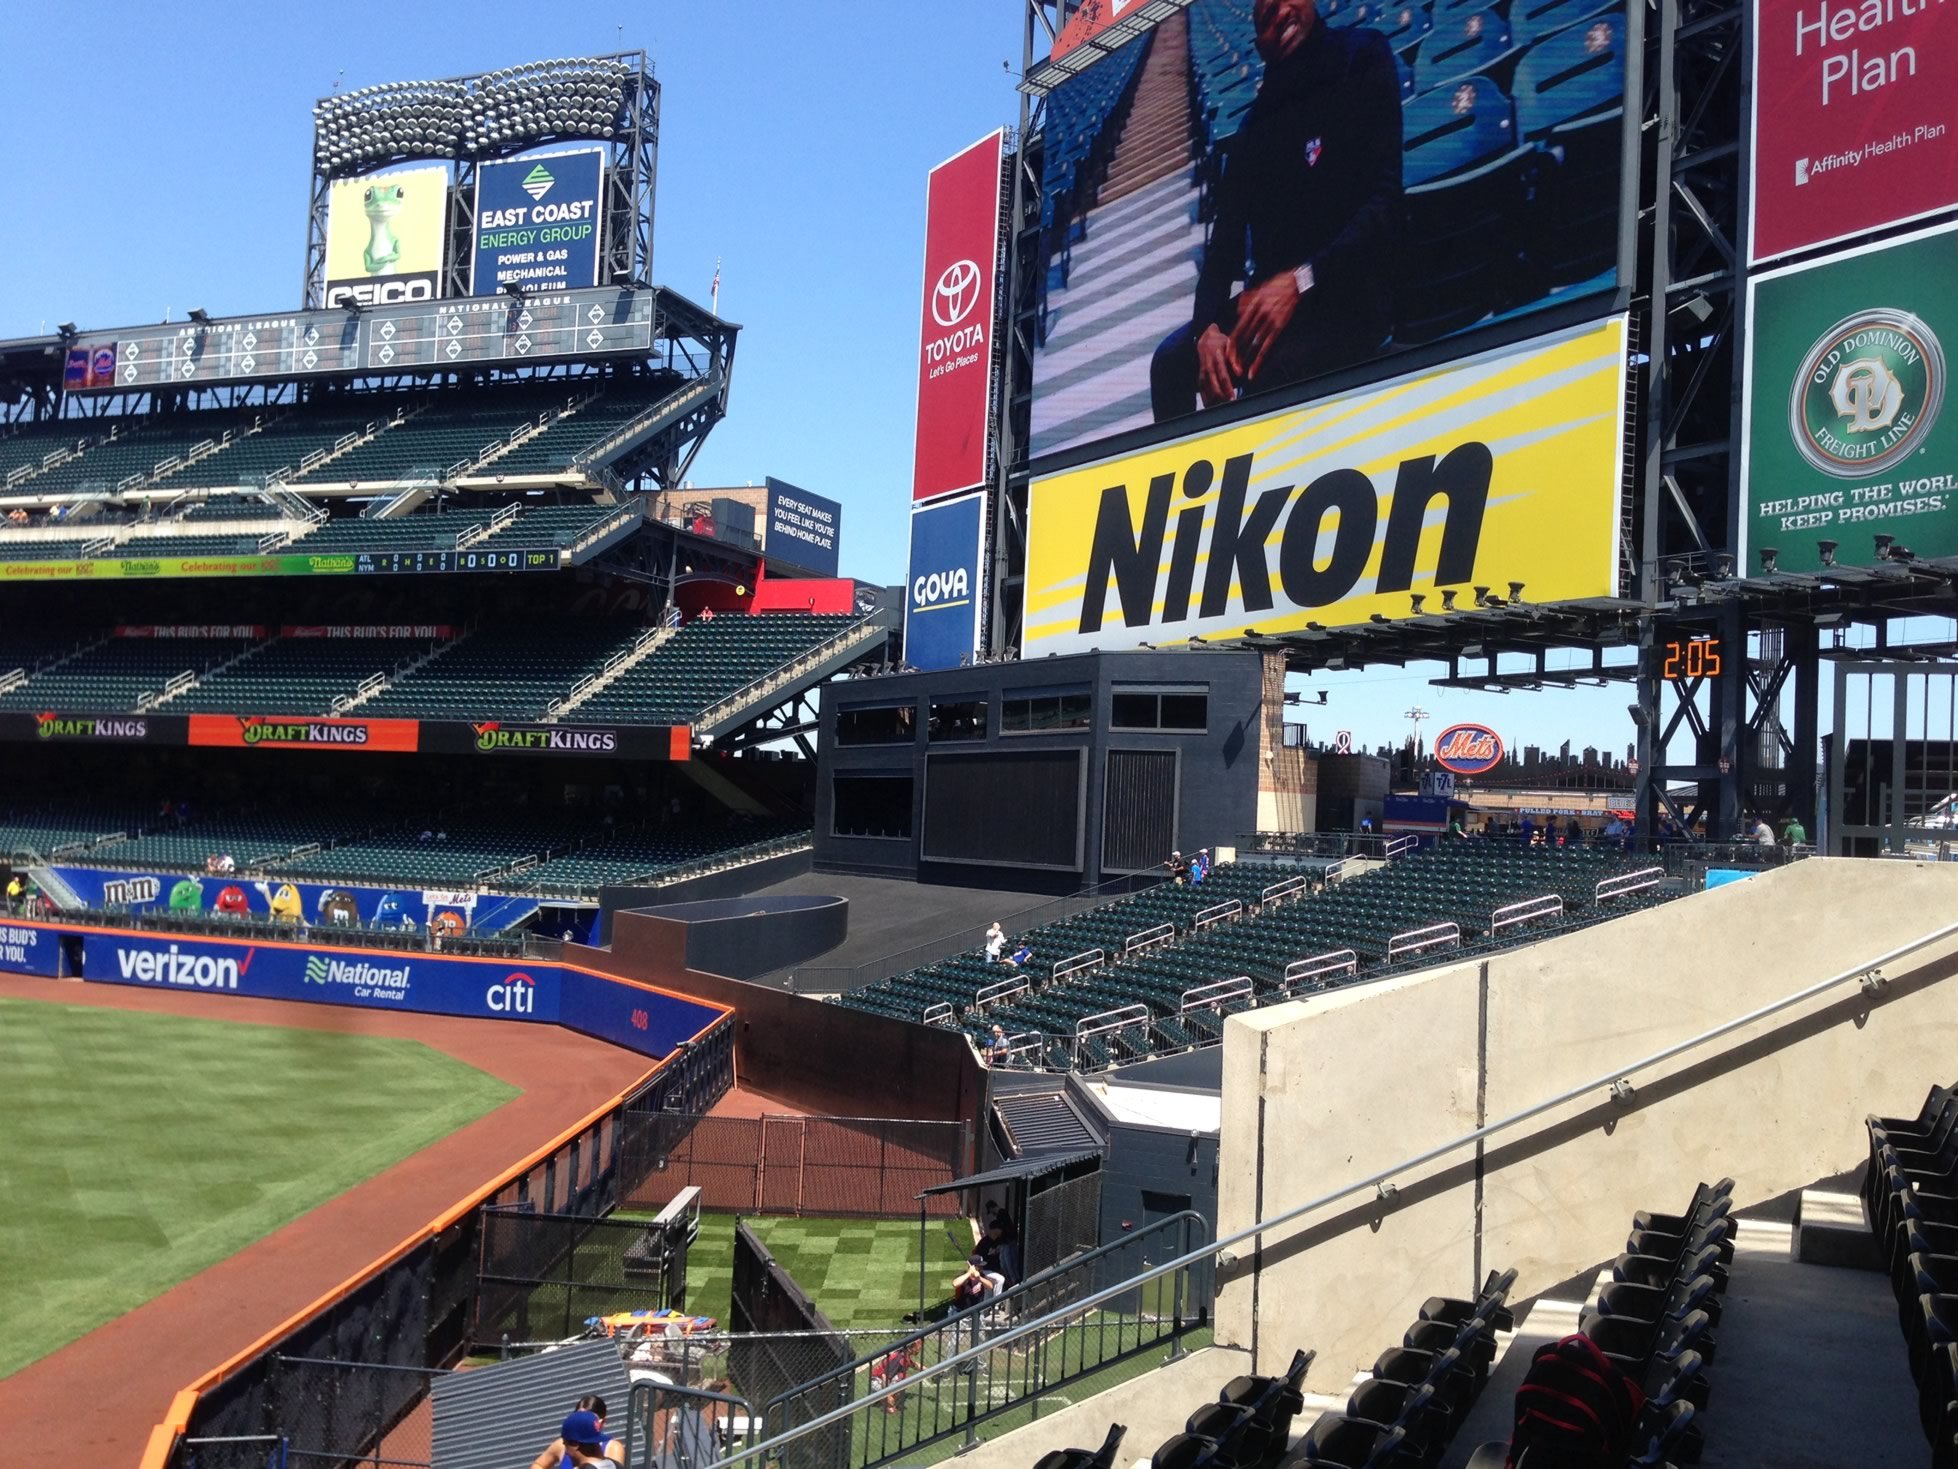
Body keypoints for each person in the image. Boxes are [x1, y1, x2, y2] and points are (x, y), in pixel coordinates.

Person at [1150, 0, 1403, 421]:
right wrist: (1206, 331)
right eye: (1266, 16)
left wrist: (1300, 280)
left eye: (1287, 2)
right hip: (1273, 305)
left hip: (1347, 288)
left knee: (1269, 369)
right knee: (1171, 362)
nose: (1281, 14)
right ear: (1259, 44)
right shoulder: (1255, 127)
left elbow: (1384, 205)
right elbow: (1221, 256)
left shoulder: (1362, 56)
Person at [531, 1399, 627, 1469]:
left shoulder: (614, 1447)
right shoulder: (615, 1466)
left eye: (566, 1444)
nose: (566, 1451)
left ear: (574, 1443)